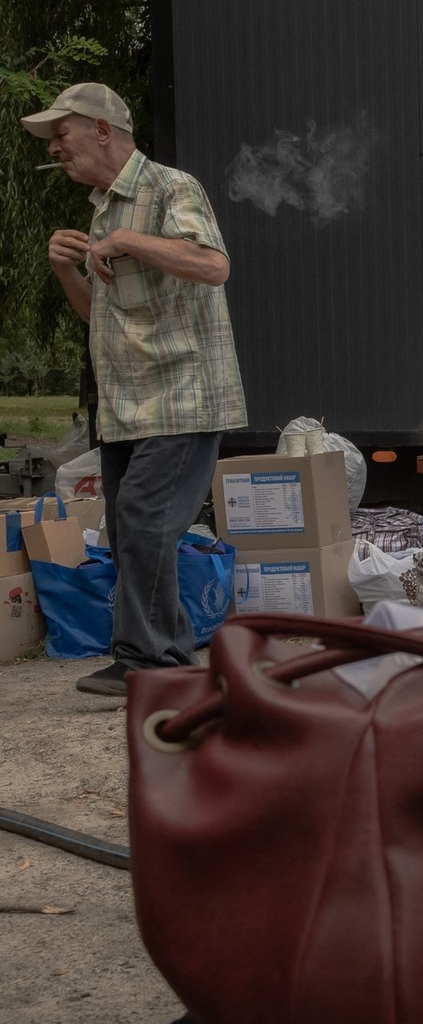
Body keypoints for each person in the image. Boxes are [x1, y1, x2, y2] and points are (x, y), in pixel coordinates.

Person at [24, 82, 247, 698]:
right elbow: (101, 316)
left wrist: (127, 242)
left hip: (184, 393)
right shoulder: (103, 207)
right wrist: (66, 266)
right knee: (129, 532)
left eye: (61, 135)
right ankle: (169, 657)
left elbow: (213, 264)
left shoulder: (170, 187)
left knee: (146, 524)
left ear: (102, 129)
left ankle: (144, 662)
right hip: (127, 403)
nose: (56, 150)